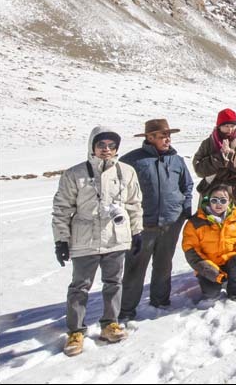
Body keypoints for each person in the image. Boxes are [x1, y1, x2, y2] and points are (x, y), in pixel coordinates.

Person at [52, 126, 143, 356]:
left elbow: (134, 204)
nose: (106, 150)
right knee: (80, 286)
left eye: (111, 146)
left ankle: (109, 323)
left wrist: (137, 232)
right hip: (85, 239)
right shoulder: (75, 174)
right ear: (92, 146)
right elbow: (62, 209)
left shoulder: (126, 171)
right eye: (102, 145)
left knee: (114, 282)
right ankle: (76, 331)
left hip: (116, 236)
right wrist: (61, 240)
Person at [118, 119, 193, 320]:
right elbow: (118, 191)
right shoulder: (131, 161)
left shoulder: (176, 160)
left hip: (172, 222)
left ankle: (160, 301)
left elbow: (187, 186)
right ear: (150, 138)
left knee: (164, 264)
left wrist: (185, 209)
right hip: (142, 225)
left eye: (169, 135)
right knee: (135, 267)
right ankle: (126, 310)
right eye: (162, 136)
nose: (167, 139)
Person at [182, 183, 236, 301]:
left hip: (231, 261)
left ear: (230, 201)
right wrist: (214, 274)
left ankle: (234, 289)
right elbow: (192, 253)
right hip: (208, 265)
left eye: (223, 200)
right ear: (208, 200)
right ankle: (214, 285)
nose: (218, 204)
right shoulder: (194, 223)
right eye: (214, 200)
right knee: (211, 294)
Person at [193, 108, 236, 216]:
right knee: (208, 225)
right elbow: (198, 169)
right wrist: (218, 158)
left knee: (234, 226)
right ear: (219, 126)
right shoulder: (207, 144)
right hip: (210, 189)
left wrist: (231, 155)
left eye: (232, 126)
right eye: (226, 126)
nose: (230, 129)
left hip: (235, 192)